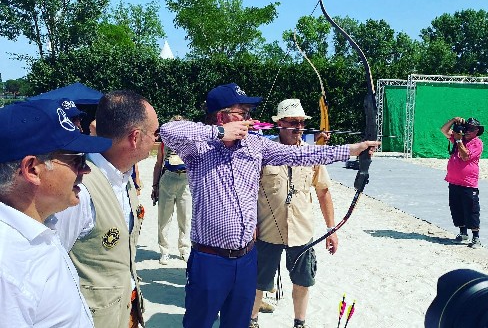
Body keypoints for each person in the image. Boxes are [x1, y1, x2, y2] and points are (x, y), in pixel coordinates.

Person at [159, 83, 379, 328]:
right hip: (210, 259)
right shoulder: (198, 148)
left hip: (246, 258)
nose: (249, 118)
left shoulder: (256, 145)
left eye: (249, 113)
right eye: (242, 112)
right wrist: (220, 132)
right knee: (198, 323)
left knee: (238, 323)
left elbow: (302, 155)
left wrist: (352, 150)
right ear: (221, 116)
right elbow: (167, 131)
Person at [51, 90, 159, 328]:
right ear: (135, 137)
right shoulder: (80, 189)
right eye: (154, 133)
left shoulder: (124, 177)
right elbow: (51, 267)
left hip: (126, 310)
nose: (156, 140)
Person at [0, 98, 112, 327]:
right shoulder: (9, 265)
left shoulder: (40, 228)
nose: (86, 169)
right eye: (76, 159)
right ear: (32, 169)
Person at [250, 99, 339, 328]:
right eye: (292, 122)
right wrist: (250, 224)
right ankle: (252, 321)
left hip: (301, 231)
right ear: (279, 123)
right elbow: (248, 192)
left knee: (303, 281)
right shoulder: (264, 153)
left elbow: (323, 191)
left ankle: (299, 323)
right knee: (258, 282)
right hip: (267, 231)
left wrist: (332, 230)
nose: (298, 127)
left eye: (301, 123)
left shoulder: (311, 153)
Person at [152, 115, 192, 264]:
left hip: (185, 179)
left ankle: (184, 249)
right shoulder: (165, 142)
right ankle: (164, 250)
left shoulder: (190, 142)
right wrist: (155, 186)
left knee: (185, 217)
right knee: (164, 217)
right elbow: (158, 163)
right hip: (168, 177)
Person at [440, 117, 484, 248]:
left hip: (468, 183)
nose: (467, 131)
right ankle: (462, 233)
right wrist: (454, 120)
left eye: (470, 129)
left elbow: (465, 156)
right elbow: (443, 130)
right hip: (454, 181)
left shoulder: (477, 143)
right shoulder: (459, 139)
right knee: (456, 208)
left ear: (476, 131)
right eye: (466, 128)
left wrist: (458, 140)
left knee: (471, 209)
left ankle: (476, 237)